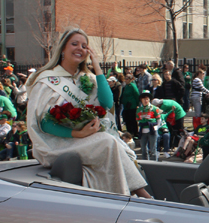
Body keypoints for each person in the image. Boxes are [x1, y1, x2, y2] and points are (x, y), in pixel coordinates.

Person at [25, 27, 150, 198]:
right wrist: (77, 133)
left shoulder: (87, 78)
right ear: (63, 48)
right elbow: (43, 123)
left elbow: (106, 103)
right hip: (56, 143)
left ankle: (134, 195)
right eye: (74, 44)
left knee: (111, 142)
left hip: (85, 139)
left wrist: (97, 68)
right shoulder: (48, 79)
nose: (80, 48)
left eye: (84, 46)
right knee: (107, 142)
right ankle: (135, 196)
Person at [136, 90, 160, 161]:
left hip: (152, 130)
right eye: (144, 99)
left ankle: (154, 164)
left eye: (147, 99)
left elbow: (159, 119)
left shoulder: (154, 108)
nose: (145, 101)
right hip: (143, 131)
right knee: (143, 149)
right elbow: (138, 120)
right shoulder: (139, 109)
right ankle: (145, 163)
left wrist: (156, 128)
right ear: (141, 100)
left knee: (153, 149)